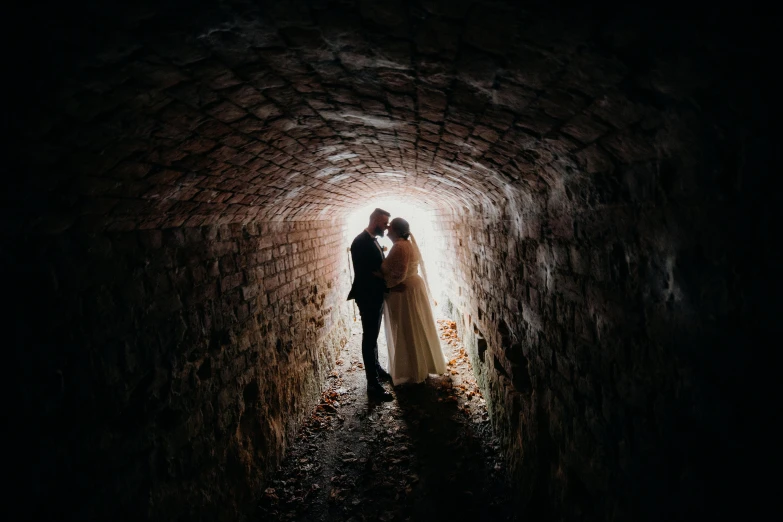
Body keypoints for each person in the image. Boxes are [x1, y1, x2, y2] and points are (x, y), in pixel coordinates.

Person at [378, 217, 447, 385]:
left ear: (395, 230)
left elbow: (399, 274)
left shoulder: (400, 246)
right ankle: (420, 364)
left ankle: (411, 370)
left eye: (390, 227)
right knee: (416, 325)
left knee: (406, 327)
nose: (387, 230)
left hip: (404, 291)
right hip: (414, 286)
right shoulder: (406, 245)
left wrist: (385, 286)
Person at [347, 208, 397, 401]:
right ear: (375, 220)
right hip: (367, 296)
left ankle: (376, 367)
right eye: (384, 223)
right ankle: (372, 385)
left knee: (373, 335)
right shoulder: (360, 242)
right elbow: (365, 273)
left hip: (374, 295)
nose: (386, 227)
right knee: (369, 338)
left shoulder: (372, 240)